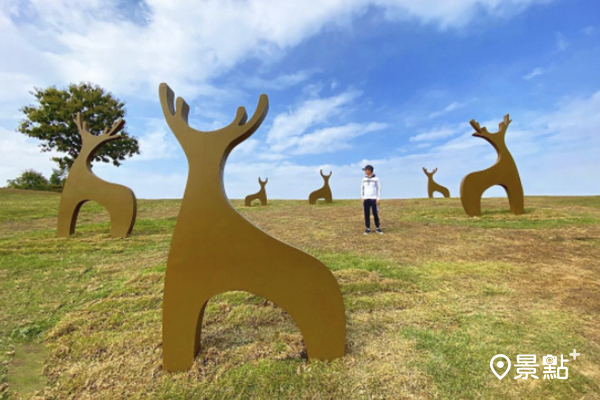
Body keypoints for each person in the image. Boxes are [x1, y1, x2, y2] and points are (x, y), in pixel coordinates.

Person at [361, 165, 382, 235]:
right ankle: (367, 228)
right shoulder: (363, 179)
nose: (365, 171)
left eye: (366, 170)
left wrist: (378, 198)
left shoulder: (376, 179)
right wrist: (362, 197)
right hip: (366, 198)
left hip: (374, 198)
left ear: (369, 170)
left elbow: (379, 189)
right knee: (366, 213)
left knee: (375, 213)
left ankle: (377, 227)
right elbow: (362, 188)